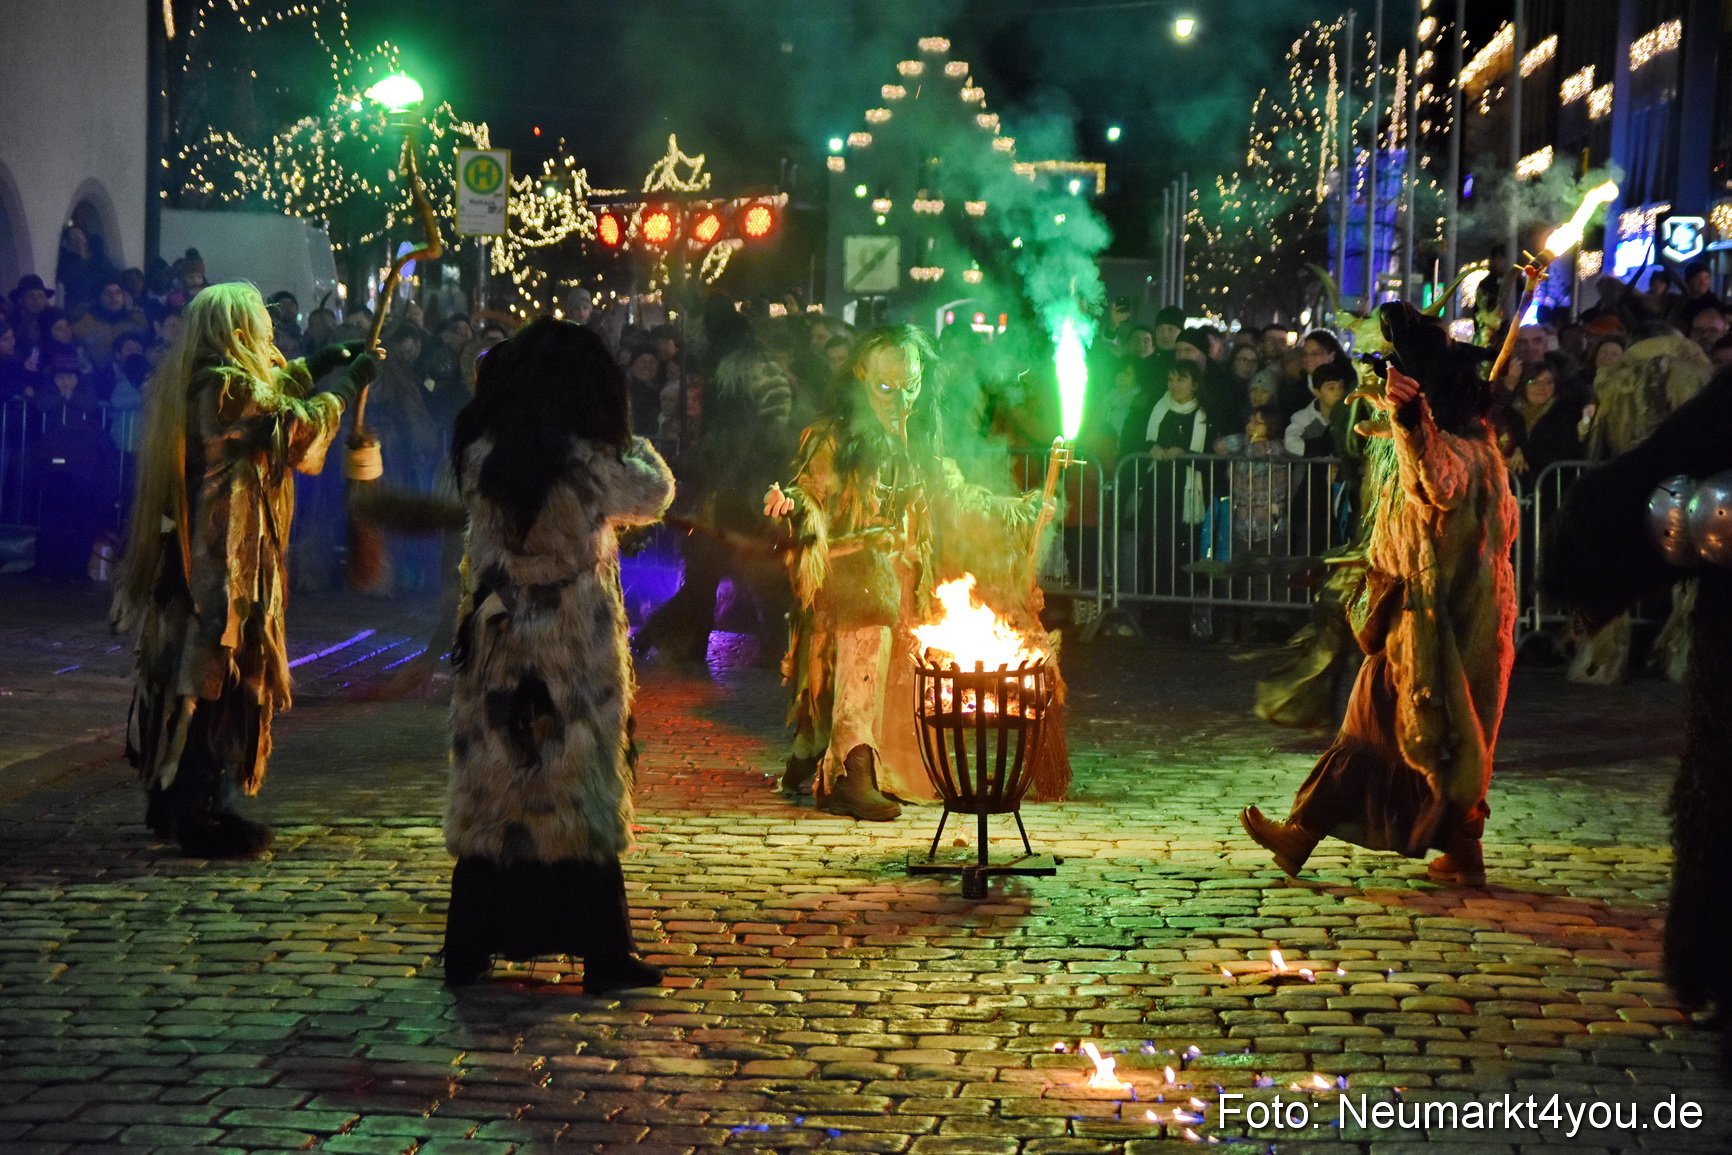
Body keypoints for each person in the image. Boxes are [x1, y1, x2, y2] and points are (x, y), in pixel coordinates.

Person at [1240, 303, 1517, 886]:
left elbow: (1436, 481)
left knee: (1383, 726)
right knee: (1431, 738)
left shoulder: (1464, 451)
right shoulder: (1473, 441)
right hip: (1425, 612)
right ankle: (1463, 855)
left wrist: (1411, 422)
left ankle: (1300, 835)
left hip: (1440, 624)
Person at [440, 318, 674, 990]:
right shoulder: (591, 464)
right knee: (578, 789)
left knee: (499, 782)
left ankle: (471, 945)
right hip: (570, 645)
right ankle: (602, 952)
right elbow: (655, 490)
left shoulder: (485, 453)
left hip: (497, 635)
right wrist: (634, 440)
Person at [111, 282, 376, 857]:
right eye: (260, 323)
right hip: (219, 565)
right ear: (236, 333)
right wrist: (345, 388)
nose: (269, 334)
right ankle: (204, 809)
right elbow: (293, 430)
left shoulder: (204, 380)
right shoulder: (225, 387)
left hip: (203, 562)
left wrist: (321, 363)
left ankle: (173, 798)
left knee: (191, 671)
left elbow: (273, 395)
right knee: (217, 674)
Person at [765, 324, 1048, 818]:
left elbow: (952, 493)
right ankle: (853, 773)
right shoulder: (832, 436)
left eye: (911, 385)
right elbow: (809, 490)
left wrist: (1021, 509)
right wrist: (789, 503)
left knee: (890, 677)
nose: (900, 398)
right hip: (851, 575)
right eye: (887, 387)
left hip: (902, 579)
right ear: (861, 375)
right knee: (858, 659)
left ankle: (826, 760)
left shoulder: (920, 436)